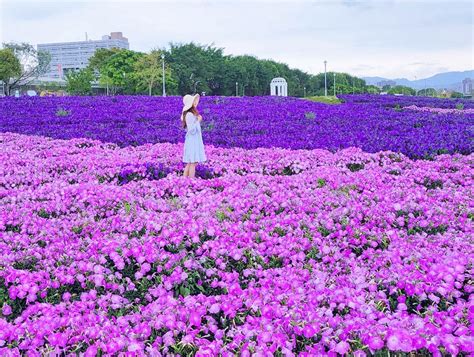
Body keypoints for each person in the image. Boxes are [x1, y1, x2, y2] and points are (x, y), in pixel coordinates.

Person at [181, 93, 207, 178]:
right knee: (192, 162)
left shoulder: (191, 114)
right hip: (192, 141)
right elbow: (191, 130)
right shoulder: (189, 114)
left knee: (191, 162)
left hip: (194, 140)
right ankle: (190, 181)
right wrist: (198, 120)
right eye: (194, 101)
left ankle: (184, 180)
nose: (196, 103)